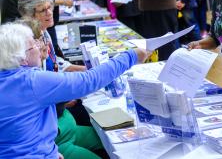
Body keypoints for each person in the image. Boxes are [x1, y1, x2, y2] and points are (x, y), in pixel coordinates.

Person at [0, 22, 148, 158]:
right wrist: (131, 56)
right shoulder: (32, 81)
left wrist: (49, 148)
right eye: (34, 45)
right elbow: (89, 81)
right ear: (22, 58)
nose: (39, 47)